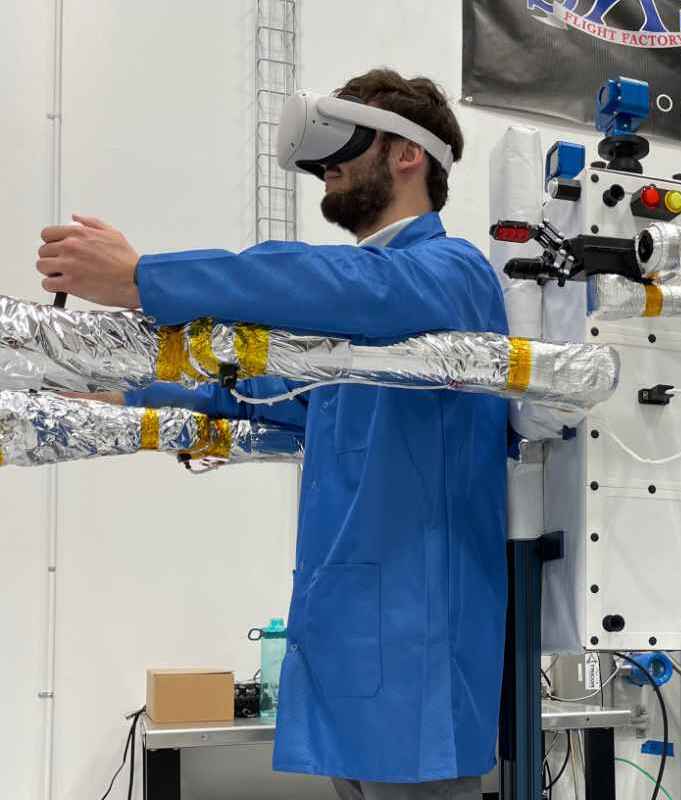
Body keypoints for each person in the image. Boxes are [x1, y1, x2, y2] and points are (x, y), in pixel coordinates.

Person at [36, 69, 507, 800]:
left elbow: (333, 285)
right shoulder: (363, 330)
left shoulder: (451, 275)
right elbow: (269, 392)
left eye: (347, 143)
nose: (327, 166)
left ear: (408, 154)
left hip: (417, 669)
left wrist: (143, 278)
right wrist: (125, 387)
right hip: (348, 654)